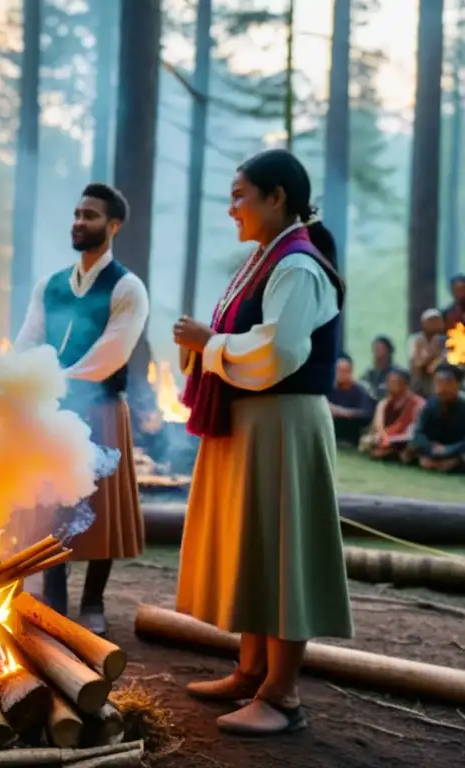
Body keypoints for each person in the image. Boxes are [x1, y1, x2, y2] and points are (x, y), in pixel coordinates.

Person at [173, 148, 352, 736]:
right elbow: (253, 338)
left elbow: (278, 351)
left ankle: (282, 695)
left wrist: (210, 344)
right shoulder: (267, 259)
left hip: (283, 422)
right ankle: (251, 672)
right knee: (256, 545)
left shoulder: (297, 265)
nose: (232, 210)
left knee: (283, 552)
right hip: (254, 421)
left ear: (277, 198)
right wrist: (209, 343)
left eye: (239, 196)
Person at [14, 182, 148, 636]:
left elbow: (111, 354)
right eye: (76, 213)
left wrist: (51, 380)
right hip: (51, 412)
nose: (79, 221)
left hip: (101, 408)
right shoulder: (50, 284)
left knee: (100, 506)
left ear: (113, 226)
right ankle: (54, 599)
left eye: (89, 215)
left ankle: (93, 600)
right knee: (53, 505)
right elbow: (28, 341)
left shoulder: (127, 287)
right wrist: (16, 381)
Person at [407, 363, 465, 472]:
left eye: (448, 382)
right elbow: (418, 433)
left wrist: (447, 450)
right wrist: (431, 447)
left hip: (456, 450)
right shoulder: (430, 404)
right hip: (435, 450)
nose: (442, 387)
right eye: (439, 382)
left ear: (457, 384)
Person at [358, 367, 424, 461]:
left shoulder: (417, 404)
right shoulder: (385, 403)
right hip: (387, 438)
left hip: (405, 439)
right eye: (388, 381)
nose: (388, 384)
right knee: (369, 442)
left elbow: (414, 432)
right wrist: (381, 437)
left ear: (403, 383)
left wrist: (388, 438)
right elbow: (377, 428)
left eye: (392, 381)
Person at [326, 354, 374, 447]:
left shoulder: (361, 390)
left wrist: (341, 412)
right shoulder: (330, 389)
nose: (339, 374)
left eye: (343, 371)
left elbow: (366, 414)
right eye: (337, 371)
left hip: (354, 431)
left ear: (350, 372)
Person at [408, 309, 447, 396]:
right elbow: (417, 363)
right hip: (420, 387)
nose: (435, 324)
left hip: (440, 388)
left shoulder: (446, 340)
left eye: (437, 321)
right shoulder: (416, 340)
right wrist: (432, 353)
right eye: (432, 321)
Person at [361, 335, 395, 400]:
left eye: (382, 351)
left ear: (389, 353)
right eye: (376, 351)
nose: (378, 355)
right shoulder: (368, 374)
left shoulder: (399, 375)